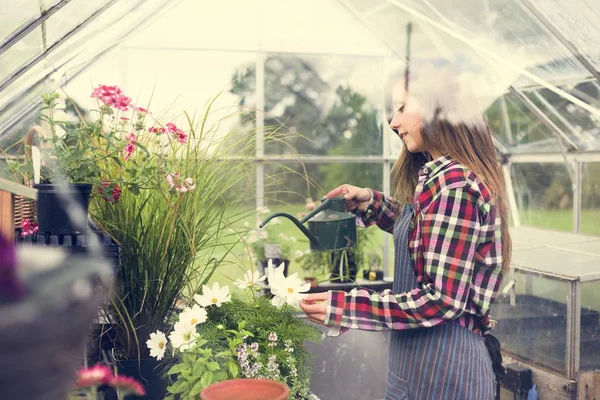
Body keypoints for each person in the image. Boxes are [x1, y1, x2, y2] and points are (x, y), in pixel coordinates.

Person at [299, 67, 511, 400]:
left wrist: (346, 307)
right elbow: (427, 232)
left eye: (401, 108)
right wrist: (371, 203)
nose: (393, 122)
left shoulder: (455, 186)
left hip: (445, 368)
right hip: (419, 360)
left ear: (436, 108)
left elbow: (440, 301)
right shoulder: (439, 177)